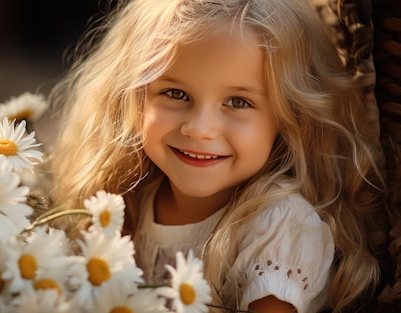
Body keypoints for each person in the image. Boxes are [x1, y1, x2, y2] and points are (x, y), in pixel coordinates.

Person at [47, 0, 383, 312]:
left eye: (238, 102)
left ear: (289, 118)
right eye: (175, 93)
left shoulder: (281, 228)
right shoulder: (126, 201)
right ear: (131, 99)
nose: (199, 128)